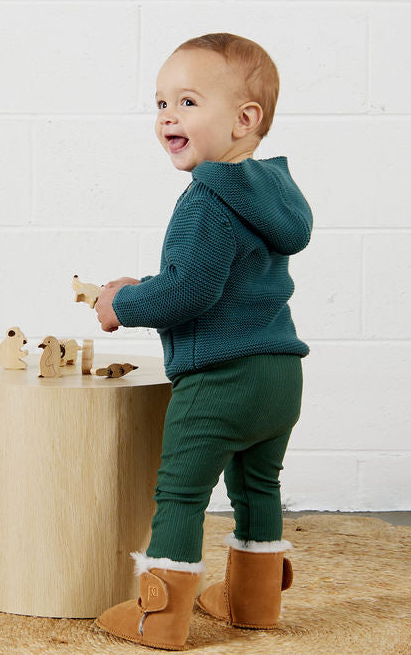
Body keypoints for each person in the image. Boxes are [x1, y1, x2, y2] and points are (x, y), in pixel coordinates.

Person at [92, 33, 313, 650]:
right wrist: (148, 285)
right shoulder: (272, 193)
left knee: (182, 493)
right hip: (280, 374)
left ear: (245, 119)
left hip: (221, 379)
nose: (168, 117)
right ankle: (254, 601)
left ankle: (160, 617)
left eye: (188, 102)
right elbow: (223, 280)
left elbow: (189, 293)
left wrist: (120, 304)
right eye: (161, 103)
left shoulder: (206, 199)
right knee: (258, 487)